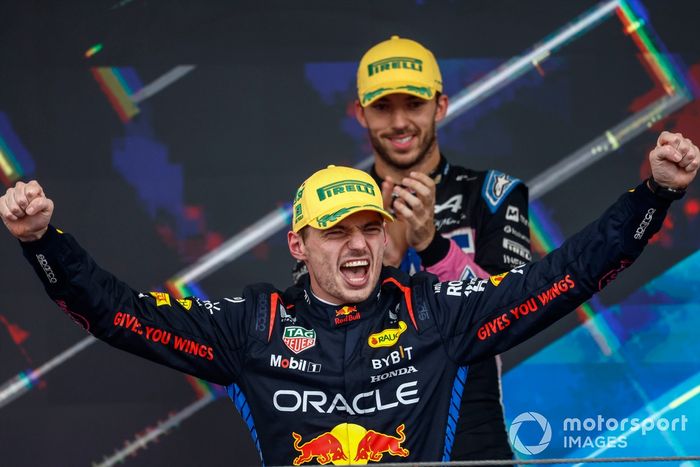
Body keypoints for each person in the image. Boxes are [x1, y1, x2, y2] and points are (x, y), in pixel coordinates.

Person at [1, 132, 697, 466]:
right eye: (336, 233)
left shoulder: (437, 313)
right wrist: (42, 241)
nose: (358, 244)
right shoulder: (253, 325)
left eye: (370, 227)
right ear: (300, 246)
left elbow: (564, 279)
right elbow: (118, 314)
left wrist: (653, 195)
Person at [358, 35, 531, 461]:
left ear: (440, 106)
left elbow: (511, 312)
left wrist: (432, 246)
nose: (399, 122)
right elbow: (307, 329)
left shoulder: (493, 193)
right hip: (368, 430)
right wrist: (384, 260)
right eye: (383, 107)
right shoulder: (333, 204)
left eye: (414, 104)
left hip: (471, 428)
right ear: (360, 114)